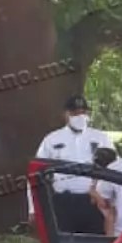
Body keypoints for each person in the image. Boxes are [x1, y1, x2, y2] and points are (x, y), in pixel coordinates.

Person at [33, 95, 112, 233]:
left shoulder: (101, 138)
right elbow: (36, 173)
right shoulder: (52, 139)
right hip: (64, 202)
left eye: (83, 112)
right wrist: (33, 209)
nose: (80, 116)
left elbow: (114, 169)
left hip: (93, 202)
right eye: (75, 113)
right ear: (66, 115)